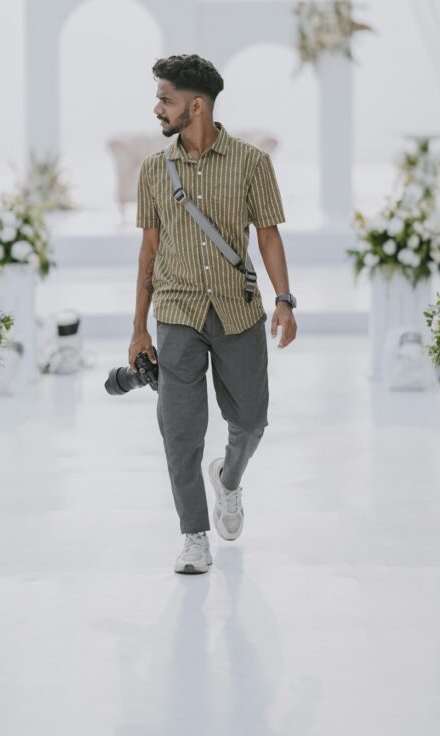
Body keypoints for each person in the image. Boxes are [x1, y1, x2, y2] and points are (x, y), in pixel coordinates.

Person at [130, 54, 297, 575]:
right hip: (176, 310)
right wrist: (138, 328)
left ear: (195, 106)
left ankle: (228, 478)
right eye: (159, 97)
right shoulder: (155, 170)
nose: (157, 108)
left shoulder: (252, 163)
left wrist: (284, 300)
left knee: (250, 420)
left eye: (166, 99)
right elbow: (149, 250)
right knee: (179, 430)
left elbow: (267, 234)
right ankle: (193, 536)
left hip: (237, 310)